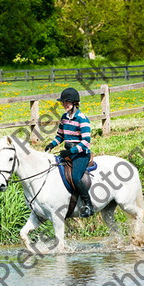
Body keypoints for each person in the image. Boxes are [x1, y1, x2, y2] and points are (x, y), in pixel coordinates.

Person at [45, 87, 94, 217]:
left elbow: (86, 142)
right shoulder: (64, 117)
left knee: (75, 177)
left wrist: (70, 152)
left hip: (81, 154)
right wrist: (51, 144)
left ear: (74, 103)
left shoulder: (82, 119)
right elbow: (60, 136)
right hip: (69, 153)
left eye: (67, 102)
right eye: (63, 102)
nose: (65, 104)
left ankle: (88, 204)